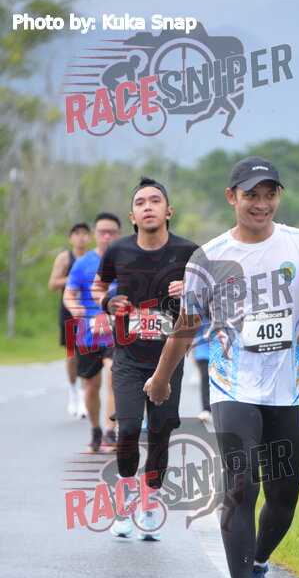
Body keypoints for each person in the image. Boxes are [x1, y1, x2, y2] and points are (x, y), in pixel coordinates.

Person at [144, 156, 299, 578]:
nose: (261, 203)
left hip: (286, 391)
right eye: (251, 195)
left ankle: (258, 565)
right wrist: (161, 379)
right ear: (232, 197)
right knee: (241, 487)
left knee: (284, 498)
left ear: (279, 196)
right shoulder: (209, 258)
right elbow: (186, 326)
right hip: (232, 387)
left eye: (270, 194)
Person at [92, 177, 198, 541]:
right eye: (140, 203)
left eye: (155, 201)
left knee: (160, 431)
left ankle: (150, 501)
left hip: (168, 358)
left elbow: (213, 296)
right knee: (127, 428)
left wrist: (191, 289)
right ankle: (125, 500)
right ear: (132, 216)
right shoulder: (118, 250)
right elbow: (99, 286)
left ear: (168, 211)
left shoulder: (189, 252)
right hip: (127, 357)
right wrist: (107, 302)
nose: (148, 206)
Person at [63, 213, 121, 452]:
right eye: (102, 232)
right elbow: (68, 294)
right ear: (95, 234)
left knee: (113, 375)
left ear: (118, 234)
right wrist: (73, 307)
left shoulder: (125, 260)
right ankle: (96, 430)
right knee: (90, 384)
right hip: (87, 330)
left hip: (117, 329)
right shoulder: (82, 262)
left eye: (111, 232)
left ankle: (110, 432)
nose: (107, 236)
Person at [48, 222, 91, 417]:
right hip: (69, 311)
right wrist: (74, 276)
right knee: (72, 354)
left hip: (89, 312)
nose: (81, 237)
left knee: (86, 354)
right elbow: (52, 284)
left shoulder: (94, 258)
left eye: (84, 234)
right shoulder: (65, 258)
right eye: (77, 234)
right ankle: (73, 392)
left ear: (90, 238)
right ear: (70, 238)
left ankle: (84, 397)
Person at [194, 316, 212, 422]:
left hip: (222, 352)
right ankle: (206, 409)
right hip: (204, 352)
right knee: (205, 378)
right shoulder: (201, 314)